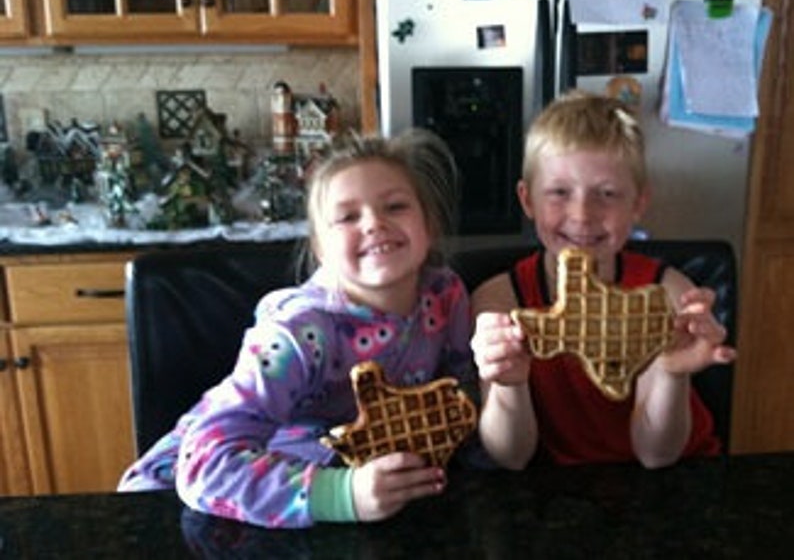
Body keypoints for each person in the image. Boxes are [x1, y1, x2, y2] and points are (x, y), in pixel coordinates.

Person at [118, 128, 527, 529]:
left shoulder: (446, 295)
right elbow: (203, 462)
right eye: (348, 216)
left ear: (429, 226)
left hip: (354, 494)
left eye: (396, 206)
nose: (373, 223)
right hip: (187, 503)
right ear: (320, 249)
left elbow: (462, 414)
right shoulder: (300, 333)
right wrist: (343, 493)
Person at [470, 91, 736, 468]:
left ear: (638, 204)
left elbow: (657, 455)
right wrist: (508, 382)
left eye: (607, 194)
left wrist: (670, 372)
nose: (582, 214)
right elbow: (512, 457)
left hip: (679, 474)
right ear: (528, 200)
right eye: (559, 193)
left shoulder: (667, 292)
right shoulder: (500, 302)